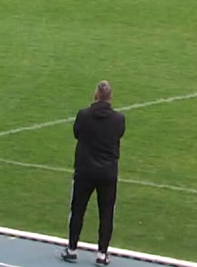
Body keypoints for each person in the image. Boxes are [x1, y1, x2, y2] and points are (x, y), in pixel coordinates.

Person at [58, 81, 126, 266]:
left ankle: (72, 249)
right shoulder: (118, 119)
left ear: (95, 95)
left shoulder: (84, 115)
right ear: (110, 97)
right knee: (106, 213)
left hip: (85, 170)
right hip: (107, 172)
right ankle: (102, 253)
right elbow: (118, 135)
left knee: (78, 210)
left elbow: (77, 133)